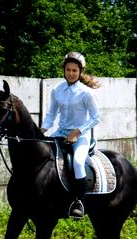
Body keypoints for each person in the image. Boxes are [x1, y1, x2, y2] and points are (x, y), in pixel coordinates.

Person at [40, 51, 101, 219]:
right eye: (68, 70)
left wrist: (78, 131)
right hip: (60, 132)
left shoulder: (86, 93)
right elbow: (51, 113)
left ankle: (78, 202)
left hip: (81, 136)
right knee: (45, 157)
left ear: (80, 72)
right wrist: (43, 129)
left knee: (77, 163)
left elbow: (97, 117)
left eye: (75, 70)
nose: (71, 73)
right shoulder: (57, 90)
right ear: (64, 70)